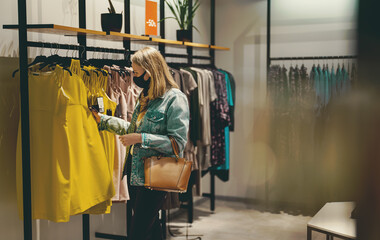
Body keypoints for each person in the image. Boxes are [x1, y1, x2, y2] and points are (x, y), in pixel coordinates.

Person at [91, 46, 190, 240]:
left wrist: (141, 138)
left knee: (138, 232)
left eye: (136, 72)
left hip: (156, 176)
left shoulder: (175, 99)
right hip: (136, 174)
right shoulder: (145, 96)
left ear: (150, 71)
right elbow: (134, 129)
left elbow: (177, 144)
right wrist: (103, 120)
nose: (134, 76)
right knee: (151, 230)